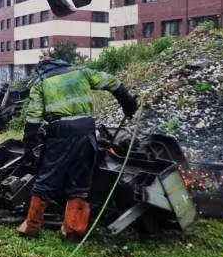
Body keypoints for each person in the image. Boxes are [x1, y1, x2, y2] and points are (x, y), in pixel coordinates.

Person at [19, 56, 138, 240]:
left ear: (42, 69)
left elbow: (34, 117)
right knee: (81, 182)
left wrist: (29, 145)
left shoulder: (41, 84)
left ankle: (31, 228)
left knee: (46, 179)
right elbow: (112, 82)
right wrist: (128, 103)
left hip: (60, 136)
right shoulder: (81, 72)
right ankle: (73, 230)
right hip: (87, 133)